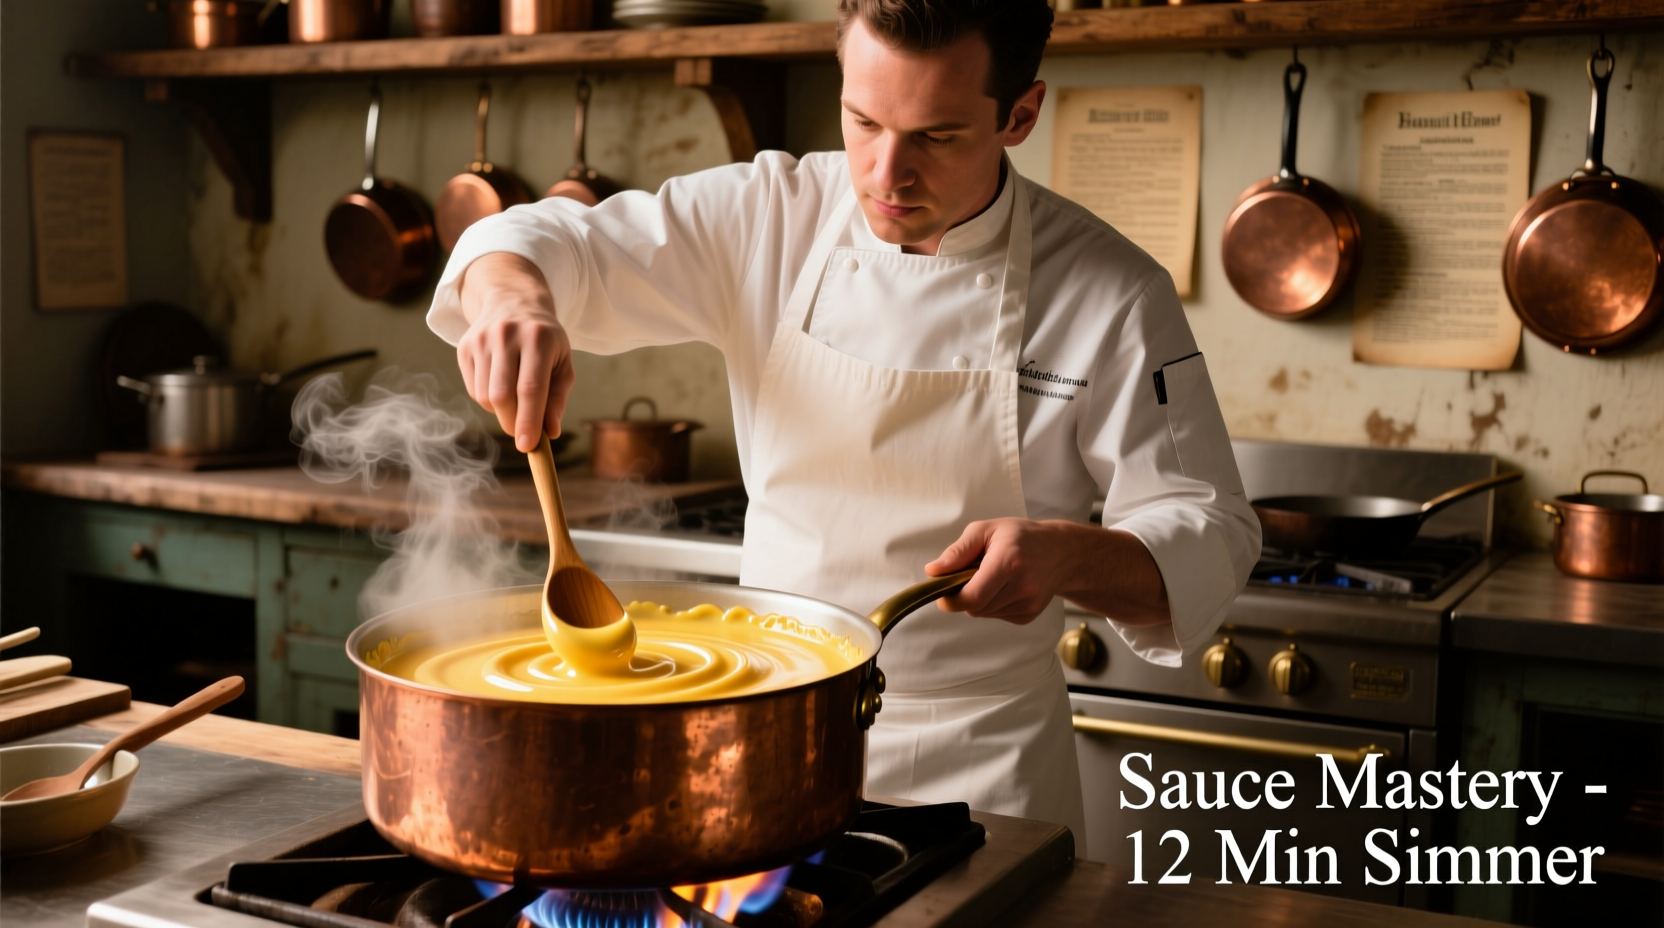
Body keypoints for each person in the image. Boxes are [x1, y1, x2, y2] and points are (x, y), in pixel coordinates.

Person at [427, 0, 1260, 843]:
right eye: (862, 120)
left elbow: (1211, 529)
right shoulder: (770, 215)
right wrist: (516, 301)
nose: (886, 174)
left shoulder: (1110, 291)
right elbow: (532, 237)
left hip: (984, 767)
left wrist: (1065, 554)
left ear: (1020, 114)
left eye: (935, 137)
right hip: (766, 734)